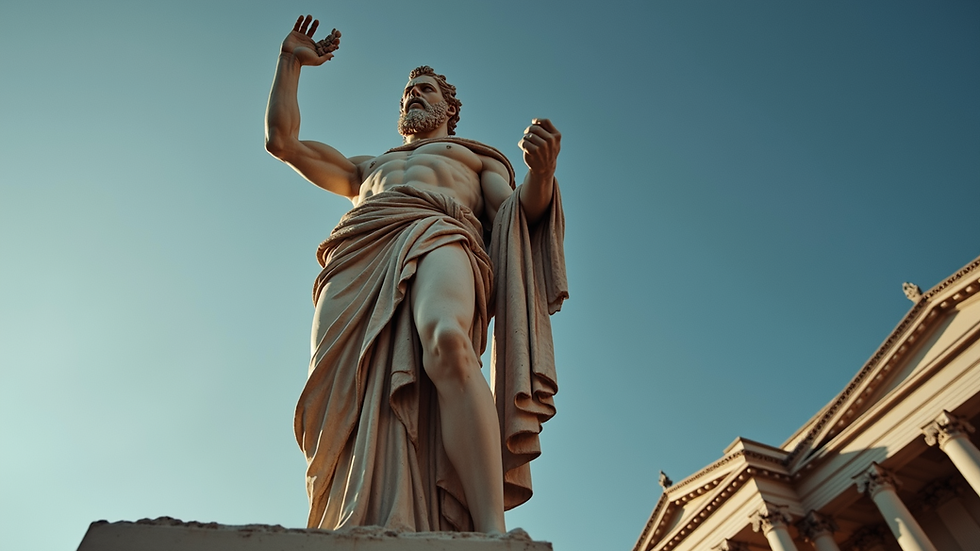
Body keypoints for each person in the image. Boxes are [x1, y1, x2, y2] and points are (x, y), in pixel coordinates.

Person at [264, 15, 567, 533]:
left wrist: (542, 175)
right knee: (342, 396)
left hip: (441, 233)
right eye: (407, 92)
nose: (412, 97)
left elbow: (518, 214)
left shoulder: (473, 158)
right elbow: (283, 142)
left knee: (449, 342)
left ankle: (491, 531)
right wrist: (290, 61)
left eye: (424, 90)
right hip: (360, 253)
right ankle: (349, 517)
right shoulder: (365, 167)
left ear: (449, 108)